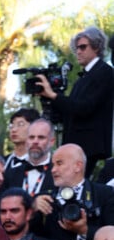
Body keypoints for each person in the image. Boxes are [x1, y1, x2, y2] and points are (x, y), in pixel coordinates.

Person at [36, 26, 114, 177]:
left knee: (75, 188)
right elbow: (70, 112)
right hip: (75, 143)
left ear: (97, 47)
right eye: (76, 48)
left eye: (83, 47)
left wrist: (54, 96)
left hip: (89, 145)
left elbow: (84, 108)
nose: (78, 51)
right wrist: (50, 100)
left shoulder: (105, 72)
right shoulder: (82, 79)